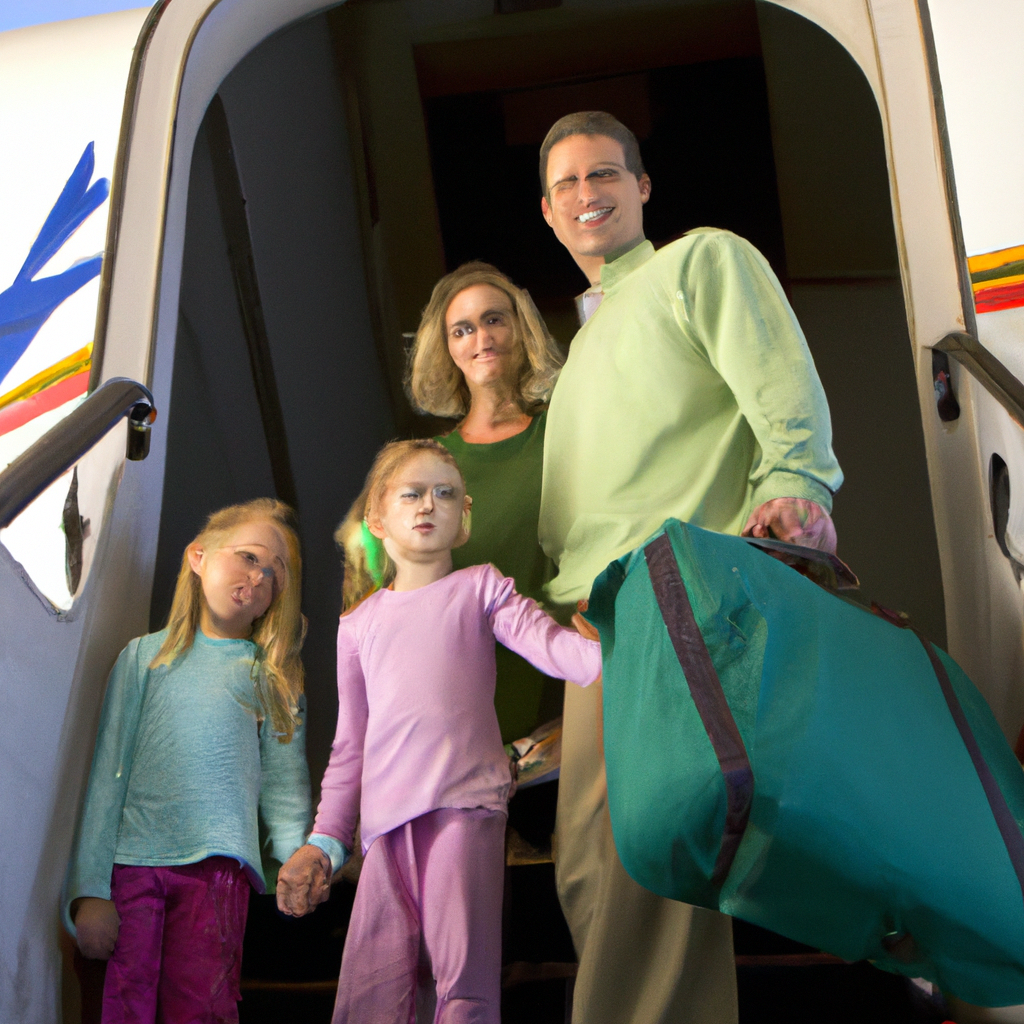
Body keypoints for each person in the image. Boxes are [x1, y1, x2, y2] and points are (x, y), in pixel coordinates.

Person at [537, 111, 844, 1024]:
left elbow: (783, 386)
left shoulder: (698, 261)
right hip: (599, 623)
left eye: (605, 175)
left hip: (676, 588)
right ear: (548, 214)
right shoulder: (583, 344)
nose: (587, 195)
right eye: (567, 185)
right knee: (589, 862)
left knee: (647, 853)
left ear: (641, 188)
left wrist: (796, 486)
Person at [275, 439, 601, 1024]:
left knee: (463, 984)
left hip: (464, 808)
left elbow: (558, 652)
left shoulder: (482, 588)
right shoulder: (357, 625)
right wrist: (325, 842)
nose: (429, 504)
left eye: (445, 493)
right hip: (383, 828)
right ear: (377, 518)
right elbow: (350, 746)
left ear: (465, 517)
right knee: (377, 992)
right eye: (413, 493)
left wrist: (609, 642)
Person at [63, 498, 311, 1023]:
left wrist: (297, 860)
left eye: (273, 575)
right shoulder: (141, 658)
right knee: (124, 1004)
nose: (259, 577)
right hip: (133, 868)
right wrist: (88, 892)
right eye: (248, 556)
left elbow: (285, 789)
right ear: (198, 556)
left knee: (199, 1010)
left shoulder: (273, 679)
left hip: (218, 877)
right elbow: (108, 776)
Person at [407, 261, 566, 741]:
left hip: (568, 663)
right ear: (448, 348)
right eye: (463, 329)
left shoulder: (564, 428)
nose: (482, 337)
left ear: (521, 327)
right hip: (467, 689)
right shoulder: (431, 466)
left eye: (495, 318)